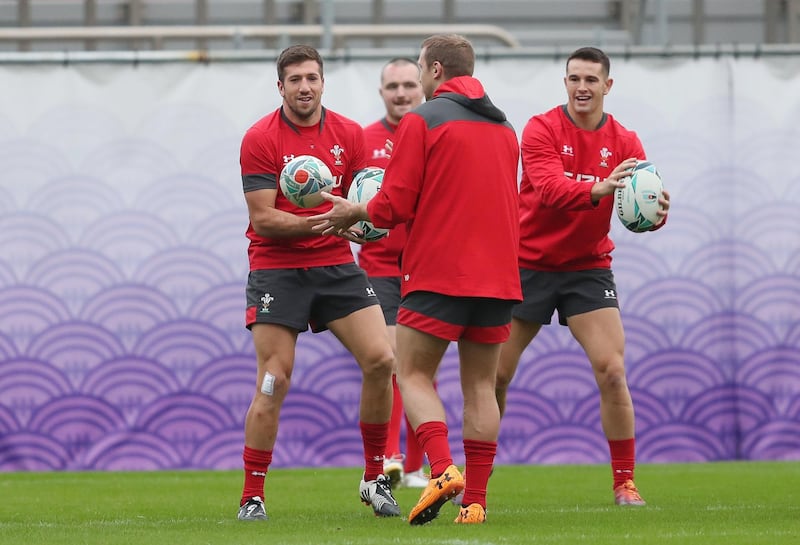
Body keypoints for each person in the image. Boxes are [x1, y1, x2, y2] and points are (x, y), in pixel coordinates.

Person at [309, 34, 521, 525]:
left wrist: (355, 212)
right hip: (500, 279)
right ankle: (476, 505)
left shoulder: (422, 121)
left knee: (412, 373)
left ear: (437, 71)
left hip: (440, 273)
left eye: (421, 70)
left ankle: (443, 469)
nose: (419, 81)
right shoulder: (505, 127)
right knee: (481, 389)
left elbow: (395, 204)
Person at [494, 46, 671, 506]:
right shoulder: (540, 129)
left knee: (612, 371)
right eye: (574, 78)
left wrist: (656, 213)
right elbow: (550, 190)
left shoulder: (627, 142)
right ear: (565, 82)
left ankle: (625, 483)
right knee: (495, 376)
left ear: (607, 86)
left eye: (591, 79)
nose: (582, 87)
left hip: (587, 268)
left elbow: (641, 206)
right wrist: (599, 187)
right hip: (526, 263)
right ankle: (477, 480)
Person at [236, 44, 400, 521]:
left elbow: (358, 203)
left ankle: (374, 480)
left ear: (323, 81)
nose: (304, 87)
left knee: (381, 359)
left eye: (312, 78)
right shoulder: (260, 137)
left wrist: (361, 222)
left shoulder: (349, 133)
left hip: (335, 265)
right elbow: (264, 219)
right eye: (295, 80)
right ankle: (253, 496)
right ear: (281, 86)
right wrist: (327, 221)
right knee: (273, 379)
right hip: (276, 267)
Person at [360, 57, 429, 490]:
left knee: (423, 369)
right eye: (392, 87)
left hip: (426, 266)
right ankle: (390, 458)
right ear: (381, 91)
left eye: (408, 85)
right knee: (392, 364)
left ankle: (417, 467)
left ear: (421, 87)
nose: (401, 93)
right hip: (380, 267)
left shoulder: (432, 132)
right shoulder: (363, 139)